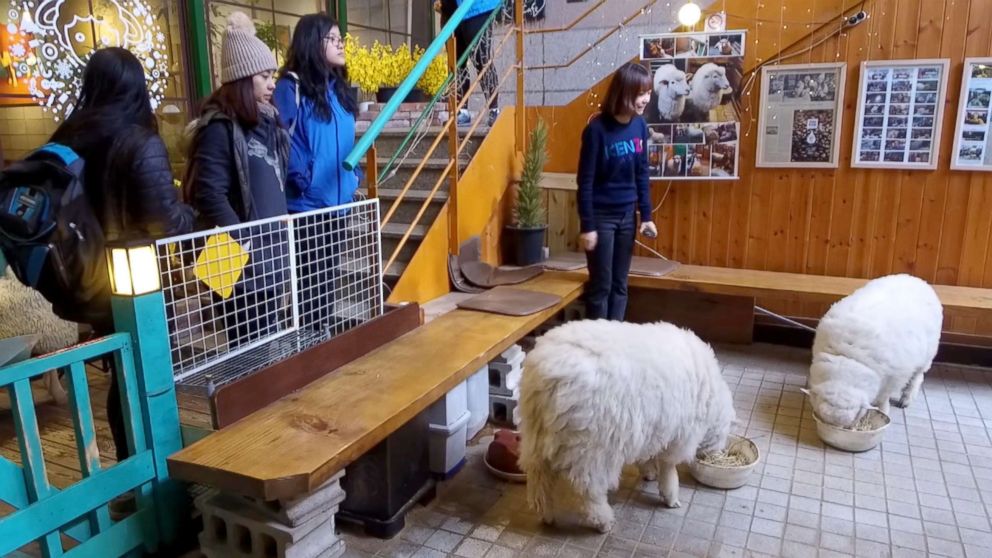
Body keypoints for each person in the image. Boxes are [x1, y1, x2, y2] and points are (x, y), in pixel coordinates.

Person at [47, 47, 194, 486]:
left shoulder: (69, 138)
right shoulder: (137, 140)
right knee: (147, 375)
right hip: (137, 283)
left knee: (122, 377)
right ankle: (157, 479)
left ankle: (133, 475)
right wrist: (192, 210)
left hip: (87, 280)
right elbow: (164, 223)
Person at [184, 12, 290, 347]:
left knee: (265, 343)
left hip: (269, 258)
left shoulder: (268, 122)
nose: (272, 83)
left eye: (272, 74)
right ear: (244, 79)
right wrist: (242, 242)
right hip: (238, 261)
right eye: (264, 75)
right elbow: (209, 193)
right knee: (246, 348)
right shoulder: (218, 128)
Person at [273, 14, 360, 332]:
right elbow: (281, 138)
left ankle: (319, 345)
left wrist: (354, 178)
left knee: (325, 289)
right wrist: (302, 178)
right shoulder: (290, 87)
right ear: (312, 42)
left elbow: (347, 144)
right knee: (309, 294)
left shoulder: (339, 90)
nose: (341, 44)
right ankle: (311, 350)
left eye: (341, 38)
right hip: (306, 207)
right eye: (332, 38)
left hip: (338, 204)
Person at [576, 62, 657, 321]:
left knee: (621, 284)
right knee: (601, 285)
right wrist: (587, 226)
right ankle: (597, 345)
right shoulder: (596, 131)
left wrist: (646, 216)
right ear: (623, 92)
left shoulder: (640, 127)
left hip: (627, 216)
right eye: (640, 93)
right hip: (601, 218)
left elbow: (642, 172)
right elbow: (585, 182)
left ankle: (616, 340)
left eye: (648, 93)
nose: (645, 99)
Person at [436, 0, 501, 127]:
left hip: (476, 9)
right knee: (456, 64)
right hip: (450, 11)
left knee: (480, 59)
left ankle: (494, 109)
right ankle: (462, 110)